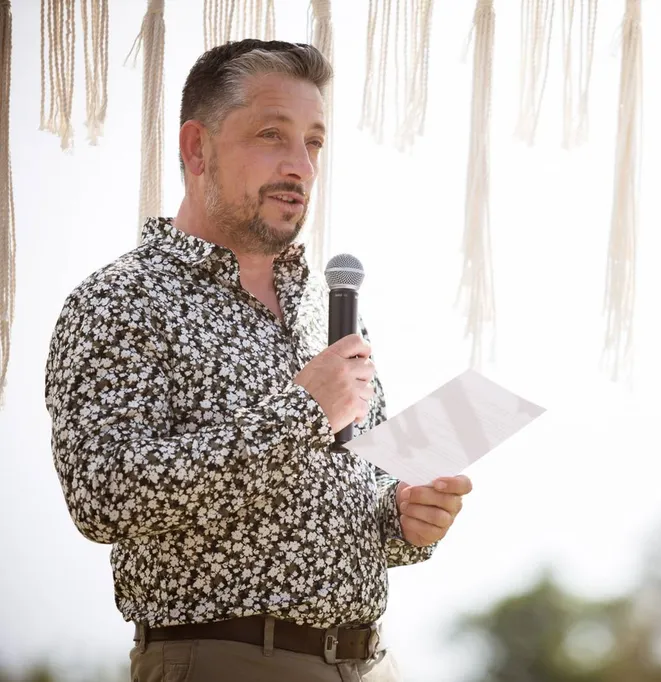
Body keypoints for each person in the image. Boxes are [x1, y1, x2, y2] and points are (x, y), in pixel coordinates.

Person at [44, 39, 471, 682]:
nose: (300, 166)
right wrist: (303, 411)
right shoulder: (122, 299)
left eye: (314, 142)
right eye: (273, 135)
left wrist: (405, 516)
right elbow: (105, 496)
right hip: (225, 660)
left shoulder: (326, 312)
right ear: (197, 148)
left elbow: (352, 497)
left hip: (368, 662)